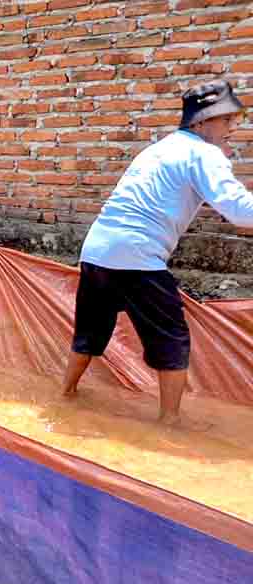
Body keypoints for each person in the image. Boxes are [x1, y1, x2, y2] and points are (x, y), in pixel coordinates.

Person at [62, 79, 253, 430]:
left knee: (90, 330)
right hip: (138, 255)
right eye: (226, 120)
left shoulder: (161, 147)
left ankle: (65, 396)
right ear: (201, 122)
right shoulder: (203, 153)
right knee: (172, 337)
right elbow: (240, 213)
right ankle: (170, 423)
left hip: (97, 249)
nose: (233, 129)